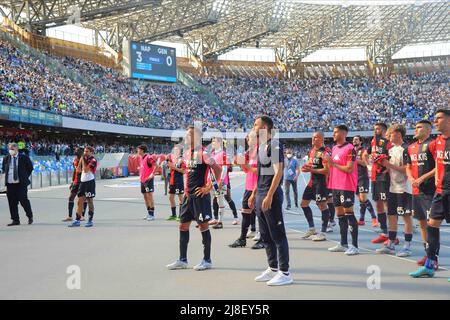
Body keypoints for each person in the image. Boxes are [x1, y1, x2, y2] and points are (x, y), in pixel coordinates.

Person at [166, 125, 221, 271]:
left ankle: (207, 260)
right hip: (187, 196)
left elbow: (218, 169)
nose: (186, 137)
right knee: (183, 225)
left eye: (189, 135)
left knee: (203, 226)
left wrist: (208, 187)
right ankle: (182, 260)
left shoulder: (203, 153)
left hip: (199, 196)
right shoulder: (187, 153)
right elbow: (186, 170)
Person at [249, 116, 293, 286]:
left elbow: (278, 172)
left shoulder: (274, 145)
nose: (253, 127)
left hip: (270, 196)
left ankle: (285, 272)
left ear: (265, 128)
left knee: (278, 235)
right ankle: (273, 268)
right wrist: (254, 194)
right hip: (260, 194)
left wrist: (269, 195)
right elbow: (261, 175)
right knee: (266, 236)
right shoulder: (262, 147)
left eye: (256, 125)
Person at [410, 109, 450, 279]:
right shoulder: (436, 142)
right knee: (431, 224)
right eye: (434, 119)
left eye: (439, 118)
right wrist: (436, 177)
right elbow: (436, 163)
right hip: (441, 191)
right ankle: (430, 264)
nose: (435, 121)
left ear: (448, 121)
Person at [375, 124, 414, 257]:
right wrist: (382, 167)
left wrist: (388, 165)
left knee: (406, 216)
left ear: (398, 134)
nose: (388, 137)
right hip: (392, 187)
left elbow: (407, 169)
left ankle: (407, 246)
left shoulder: (405, 149)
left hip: (404, 188)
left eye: (390, 134)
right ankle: (391, 243)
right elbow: (391, 168)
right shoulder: (391, 150)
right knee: (391, 215)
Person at [406, 120, 436, 266]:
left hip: (431, 190)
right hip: (416, 191)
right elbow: (408, 166)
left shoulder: (432, 144)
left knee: (432, 224)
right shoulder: (410, 147)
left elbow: (439, 166)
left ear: (429, 130)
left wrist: (422, 178)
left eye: (419, 127)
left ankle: (433, 257)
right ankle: (428, 254)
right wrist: (412, 178)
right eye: (415, 127)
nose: (416, 129)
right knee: (422, 223)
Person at [326, 125, 359, 255]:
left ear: (343, 133)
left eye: (335, 132)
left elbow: (349, 169)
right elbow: (332, 167)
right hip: (335, 185)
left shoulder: (350, 149)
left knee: (349, 213)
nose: (333, 134)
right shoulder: (334, 148)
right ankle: (343, 243)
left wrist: (333, 164)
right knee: (339, 214)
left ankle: (355, 246)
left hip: (346, 185)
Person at [229, 129, 264, 249]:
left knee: (261, 214)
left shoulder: (262, 151)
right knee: (245, 212)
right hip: (248, 186)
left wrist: (247, 166)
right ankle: (242, 239)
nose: (250, 140)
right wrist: (240, 163)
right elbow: (246, 170)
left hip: (259, 187)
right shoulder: (249, 152)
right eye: (249, 138)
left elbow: (262, 172)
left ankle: (263, 238)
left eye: (253, 138)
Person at [300, 132, 332, 241]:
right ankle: (312, 228)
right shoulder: (312, 151)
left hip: (321, 183)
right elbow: (311, 165)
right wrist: (306, 168)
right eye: (313, 137)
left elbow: (327, 170)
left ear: (322, 139)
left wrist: (311, 169)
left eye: (316, 137)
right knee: (304, 204)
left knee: (322, 205)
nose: (314, 139)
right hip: (311, 182)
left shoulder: (326, 152)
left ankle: (323, 232)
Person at [209, 136, 239, 229]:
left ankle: (222, 221)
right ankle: (216, 218)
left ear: (219, 143)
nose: (212, 143)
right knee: (214, 200)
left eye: (214, 141)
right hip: (212, 181)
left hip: (220, 182)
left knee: (223, 200)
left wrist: (221, 180)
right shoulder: (212, 153)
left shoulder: (223, 154)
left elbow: (225, 168)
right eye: (212, 141)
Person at [370, 122, 392, 244]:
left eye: (377, 129)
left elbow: (391, 158)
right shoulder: (373, 142)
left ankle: (391, 232)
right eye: (374, 128)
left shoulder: (387, 142)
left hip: (383, 177)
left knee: (386, 204)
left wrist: (386, 170)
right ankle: (384, 231)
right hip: (374, 177)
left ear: (383, 130)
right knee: (378, 203)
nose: (375, 130)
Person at [1, 142, 34, 226]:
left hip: (21, 184)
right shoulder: (6, 158)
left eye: (12, 149)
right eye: (9, 149)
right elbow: (4, 169)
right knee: (12, 202)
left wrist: (24, 177)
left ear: (16, 149)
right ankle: (15, 220)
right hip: (10, 184)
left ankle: (30, 216)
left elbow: (30, 168)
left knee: (23, 200)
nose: (11, 150)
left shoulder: (24, 157)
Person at [68, 146, 97, 228]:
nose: (85, 153)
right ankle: (77, 220)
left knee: (89, 201)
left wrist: (83, 160)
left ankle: (90, 220)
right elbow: (78, 170)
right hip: (82, 182)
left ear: (91, 152)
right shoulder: (82, 158)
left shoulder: (93, 160)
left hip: (90, 182)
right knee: (79, 201)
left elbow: (85, 170)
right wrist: (81, 161)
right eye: (84, 151)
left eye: (87, 151)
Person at [352, 136, 377, 227]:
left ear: (361, 142)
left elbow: (364, 163)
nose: (354, 141)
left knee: (363, 198)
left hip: (363, 177)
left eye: (356, 139)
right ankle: (361, 219)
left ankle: (374, 218)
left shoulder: (363, 151)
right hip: (354, 177)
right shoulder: (351, 151)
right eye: (353, 139)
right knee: (361, 200)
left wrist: (354, 159)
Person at [62, 147, 87, 222]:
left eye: (77, 150)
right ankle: (70, 216)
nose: (75, 151)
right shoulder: (75, 160)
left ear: (82, 152)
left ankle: (82, 216)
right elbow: (74, 171)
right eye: (75, 150)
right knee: (71, 197)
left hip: (83, 181)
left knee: (83, 199)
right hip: (76, 182)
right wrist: (72, 181)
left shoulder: (85, 161)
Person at [137, 145, 158, 221]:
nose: (137, 151)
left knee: (150, 196)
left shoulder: (148, 158)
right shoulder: (141, 158)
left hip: (148, 180)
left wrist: (152, 174)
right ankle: (149, 213)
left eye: (138, 150)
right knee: (145, 197)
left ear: (142, 150)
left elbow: (156, 165)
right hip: (142, 181)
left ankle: (152, 215)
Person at [167, 145, 186, 221]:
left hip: (179, 181)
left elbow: (184, 171)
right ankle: (174, 215)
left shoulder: (181, 160)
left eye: (176, 150)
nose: (175, 151)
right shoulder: (171, 159)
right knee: (171, 198)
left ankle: (181, 215)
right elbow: (169, 167)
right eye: (174, 150)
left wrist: (175, 168)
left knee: (180, 198)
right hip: (172, 181)